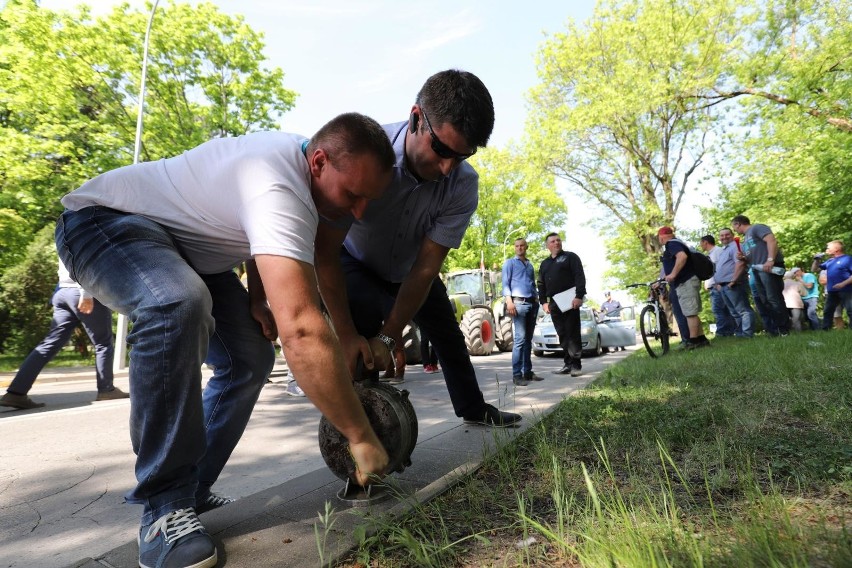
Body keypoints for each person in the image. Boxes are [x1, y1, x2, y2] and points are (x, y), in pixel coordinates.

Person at [55, 113, 395, 568]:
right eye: (352, 195)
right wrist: (360, 434)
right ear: (318, 161)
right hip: (105, 223)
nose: (357, 213)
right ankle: (163, 508)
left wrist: (258, 298)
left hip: (188, 252)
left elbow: (266, 241)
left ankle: (191, 492)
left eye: (366, 201)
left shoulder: (303, 177)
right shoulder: (275, 180)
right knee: (175, 303)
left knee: (251, 356)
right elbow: (300, 328)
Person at [312, 70, 521, 428]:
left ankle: (472, 406)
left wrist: (390, 334)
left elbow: (426, 268)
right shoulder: (364, 152)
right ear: (415, 118)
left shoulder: (463, 185)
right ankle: (364, 431)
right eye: (440, 150)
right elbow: (324, 249)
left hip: (412, 268)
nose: (445, 168)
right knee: (360, 344)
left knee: (448, 335)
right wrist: (353, 335)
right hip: (355, 260)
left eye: (461, 157)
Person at [0, 259, 128, 410]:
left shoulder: (64, 234)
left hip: (63, 291)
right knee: (103, 344)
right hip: (83, 291)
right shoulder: (87, 234)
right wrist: (86, 294)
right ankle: (107, 390)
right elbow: (85, 262)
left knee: (50, 343)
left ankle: (16, 393)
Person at [731, 215, 790, 336]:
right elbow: (753, 257)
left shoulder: (757, 228)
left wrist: (770, 259)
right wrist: (744, 258)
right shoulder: (746, 238)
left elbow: (771, 240)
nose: (734, 230)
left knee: (774, 298)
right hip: (757, 269)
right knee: (765, 300)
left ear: (738, 224)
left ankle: (784, 330)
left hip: (768, 268)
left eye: (734, 227)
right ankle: (775, 330)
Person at [537, 232, 587, 376]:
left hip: (570, 301)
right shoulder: (545, 264)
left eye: (558, 240)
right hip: (554, 303)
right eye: (552, 241)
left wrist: (579, 296)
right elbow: (541, 284)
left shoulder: (571, 257)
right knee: (562, 334)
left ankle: (576, 365)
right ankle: (567, 364)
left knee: (573, 333)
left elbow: (579, 276)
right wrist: (544, 303)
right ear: (547, 246)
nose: (556, 243)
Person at [657, 226, 710, 349]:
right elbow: (672, 264)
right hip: (685, 282)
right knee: (691, 312)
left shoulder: (672, 244)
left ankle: (693, 341)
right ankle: (701, 339)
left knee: (690, 313)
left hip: (685, 282)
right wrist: (662, 279)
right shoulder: (675, 244)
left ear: (661, 237)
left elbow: (682, 257)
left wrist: (673, 274)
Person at [502, 237, 542, 386]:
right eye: (517, 246)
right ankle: (516, 375)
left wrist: (537, 299)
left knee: (527, 340)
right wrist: (509, 301)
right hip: (518, 304)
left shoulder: (530, 265)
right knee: (519, 340)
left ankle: (528, 373)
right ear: (514, 248)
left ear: (526, 247)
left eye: (522, 246)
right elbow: (505, 284)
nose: (519, 248)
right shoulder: (509, 263)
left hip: (532, 304)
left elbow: (532, 284)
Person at [714, 227, 756, 338]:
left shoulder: (736, 247)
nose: (724, 237)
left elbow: (740, 264)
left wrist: (733, 280)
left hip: (734, 284)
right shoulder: (724, 250)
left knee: (743, 310)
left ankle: (747, 334)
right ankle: (740, 334)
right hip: (724, 285)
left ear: (732, 235)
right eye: (722, 235)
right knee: (734, 312)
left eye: (727, 234)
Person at [699, 234, 736, 337]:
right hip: (714, 286)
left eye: (701, 243)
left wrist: (717, 283)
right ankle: (728, 331)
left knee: (719, 310)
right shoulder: (712, 253)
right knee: (723, 309)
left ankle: (723, 332)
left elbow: (719, 269)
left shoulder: (717, 252)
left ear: (705, 242)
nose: (701, 245)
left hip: (718, 286)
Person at [812, 240, 852, 330]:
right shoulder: (830, 261)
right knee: (828, 311)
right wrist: (816, 260)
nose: (827, 250)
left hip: (847, 290)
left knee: (850, 310)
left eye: (828, 248)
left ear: (836, 249)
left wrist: (843, 284)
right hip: (832, 291)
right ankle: (826, 330)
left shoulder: (848, 259)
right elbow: (814, 269)